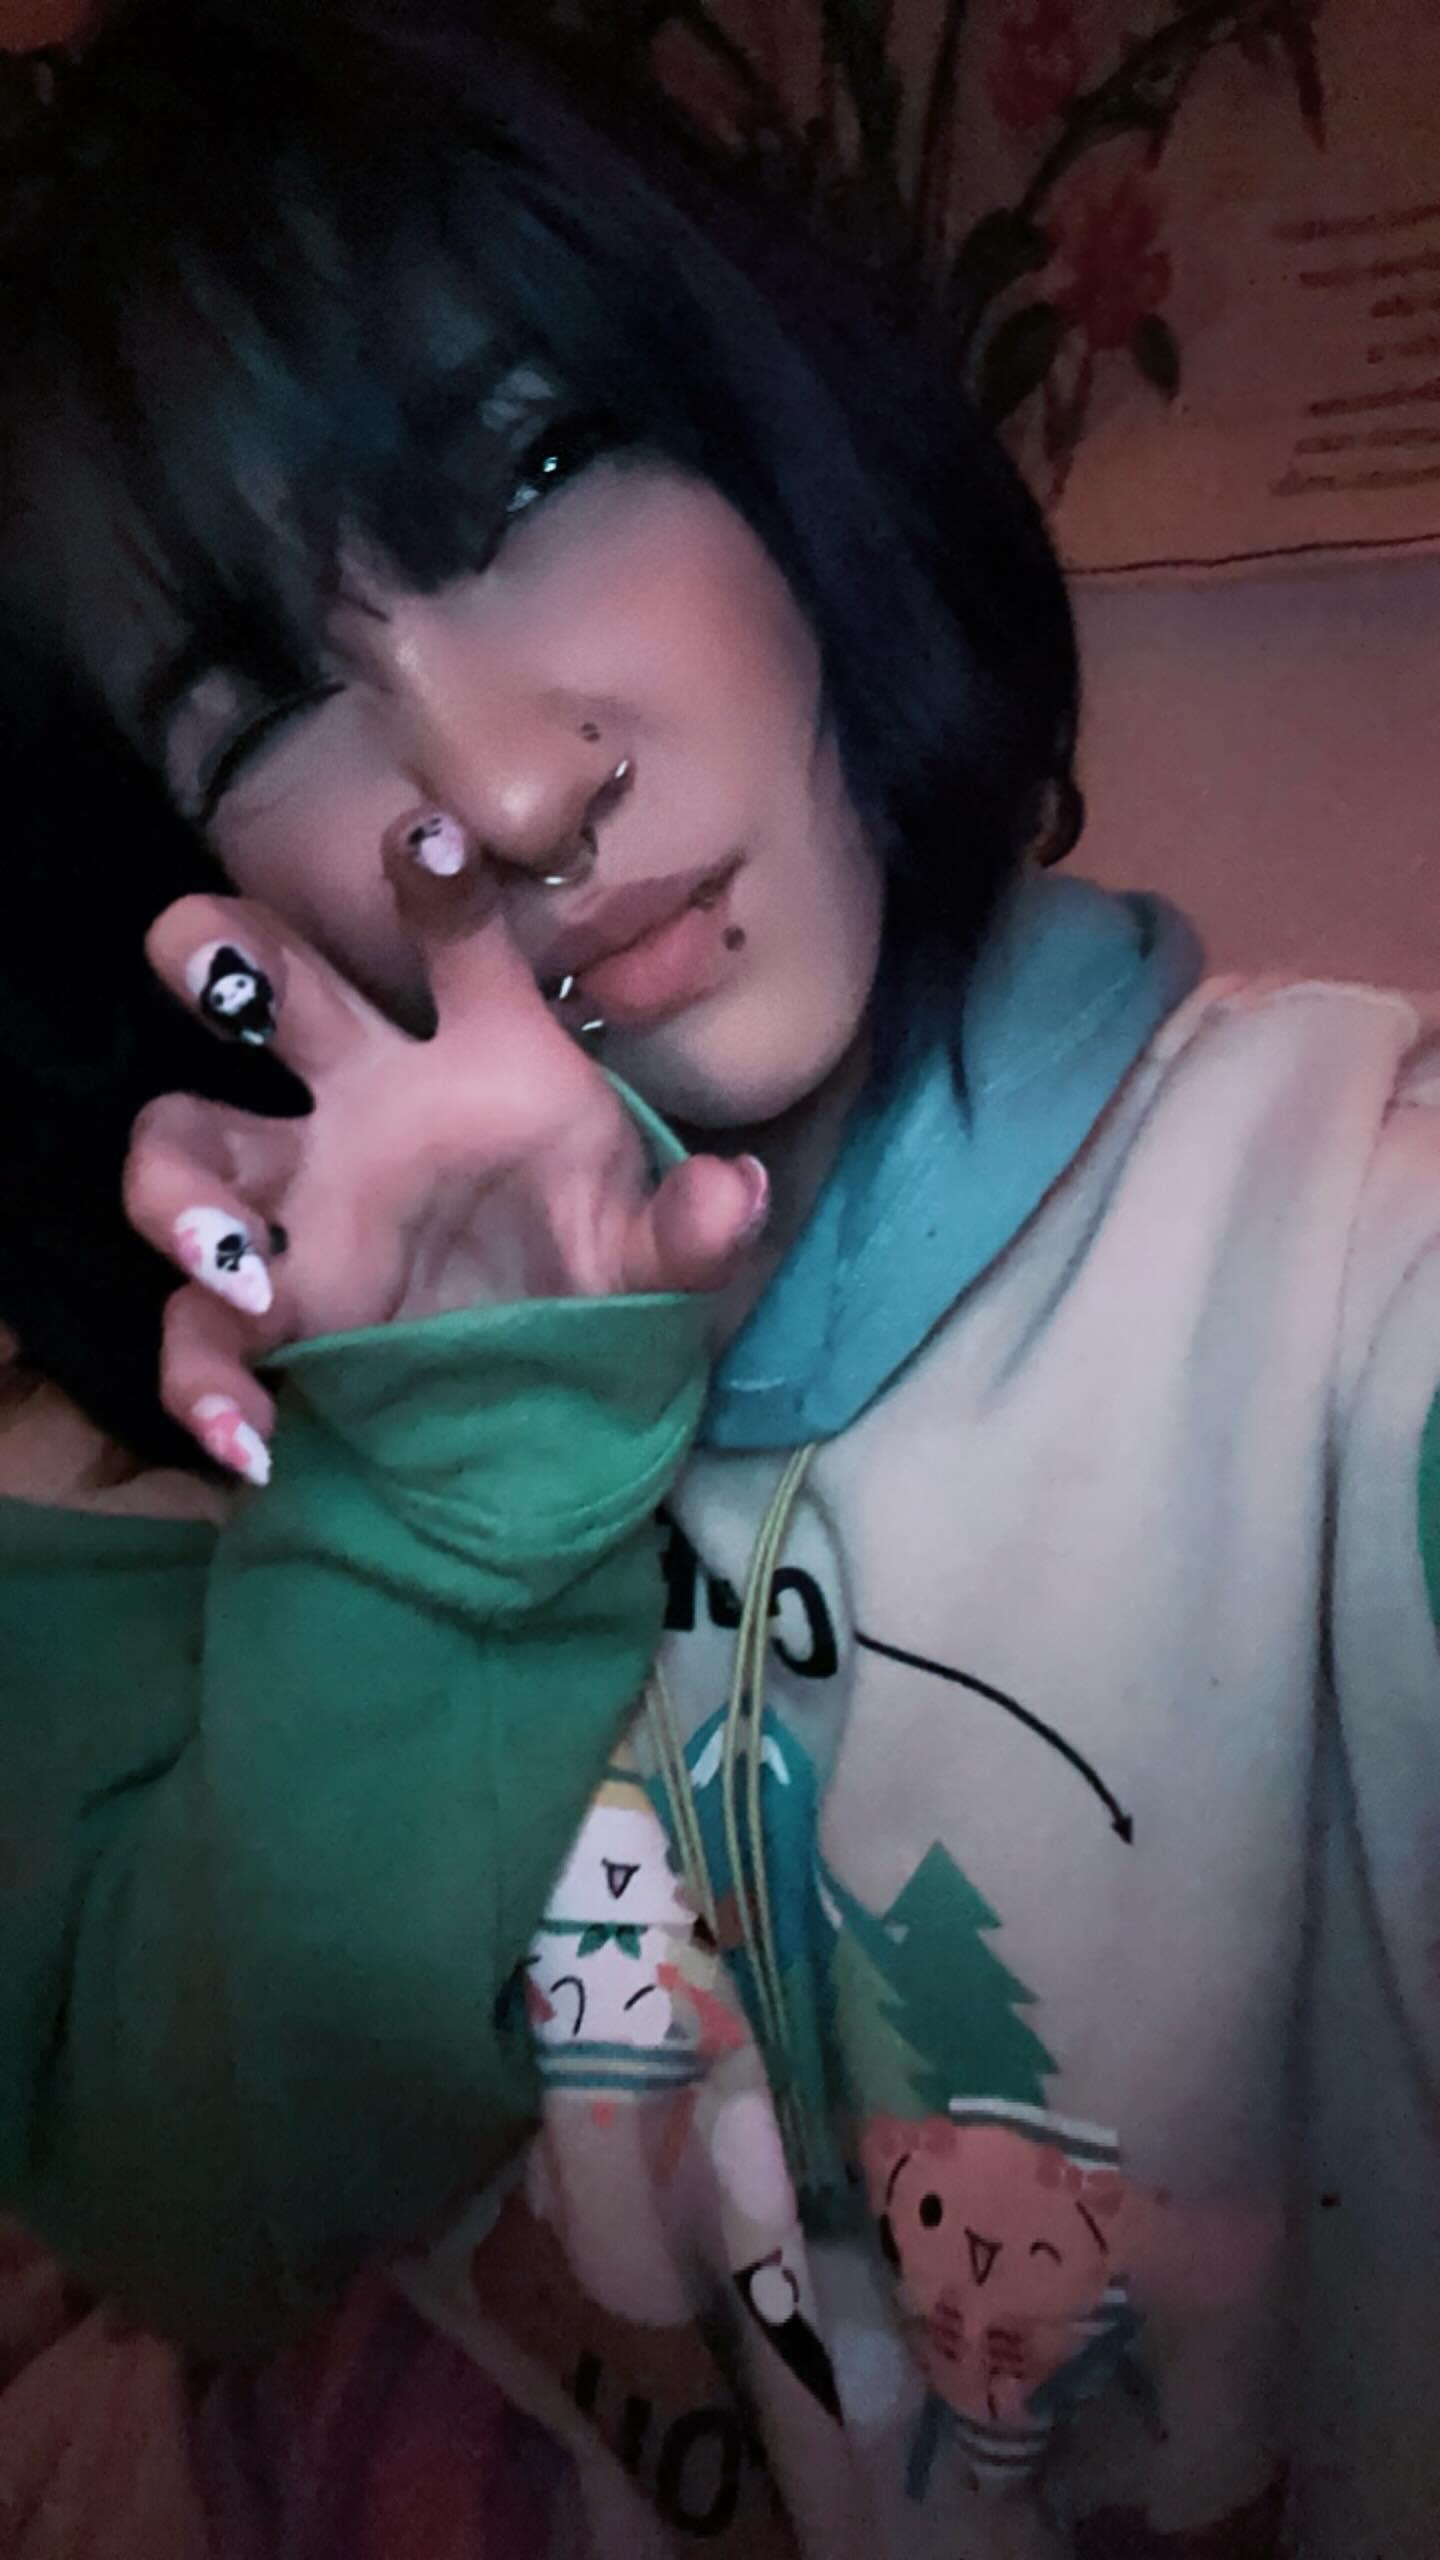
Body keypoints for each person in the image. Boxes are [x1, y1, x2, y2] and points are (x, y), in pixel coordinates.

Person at [0, 3, 1436, 2554]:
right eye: (261, 708)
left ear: (772, 429)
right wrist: (439, 1482)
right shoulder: (232, 1436)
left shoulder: (1356, 1252)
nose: (509, 788)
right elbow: (210, 2196)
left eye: (541, 467)